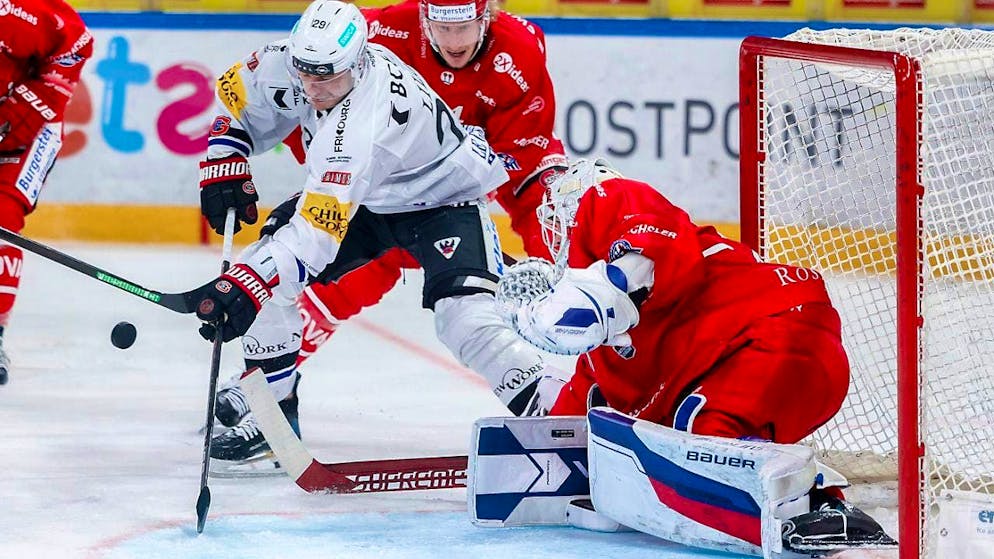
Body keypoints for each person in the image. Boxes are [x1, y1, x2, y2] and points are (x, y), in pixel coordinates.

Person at [194, 0, 568, 469]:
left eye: (328, 77)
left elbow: (316, 233)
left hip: (441, 201)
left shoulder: (364, 124)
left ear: (361, 60)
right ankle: (275, 420)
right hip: (372, 197)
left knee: (466, 321)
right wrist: (225, 154)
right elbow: (240, 105)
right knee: (267, 273)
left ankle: (561, 414)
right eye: (305, 73)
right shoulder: (294, 59)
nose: (313, 89)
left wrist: (249, 282)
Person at [496, 158, 894, 555]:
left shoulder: (610, 197)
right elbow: (577, 416)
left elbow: (643, 255)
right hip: (762, 354)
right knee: (676, 445)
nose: (558, 227)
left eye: (563, 209)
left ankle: (821, 503)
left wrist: (591, 300)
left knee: (701, 438)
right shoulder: (606, 353)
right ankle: (780, 497)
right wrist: (530, 458)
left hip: (778, 329)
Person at [0, 0, 94, 385]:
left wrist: (24, 110)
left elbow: (76, 44)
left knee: (2, 218)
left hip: (25, 130)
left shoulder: (21, 11)